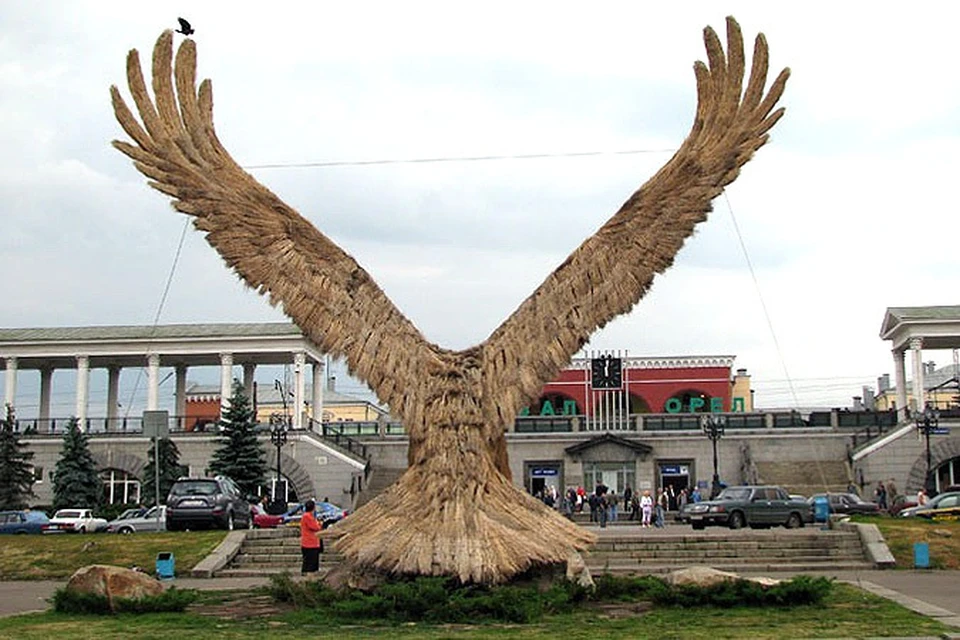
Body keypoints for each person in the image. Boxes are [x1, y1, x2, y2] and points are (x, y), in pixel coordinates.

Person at [300, 499, 323, 576]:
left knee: (310, 563)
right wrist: (320, 524)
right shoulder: (308, 516)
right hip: (310, 544)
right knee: (310, 565)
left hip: (310, 543)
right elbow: (316, 527)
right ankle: (309, 578)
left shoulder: (307, 516)